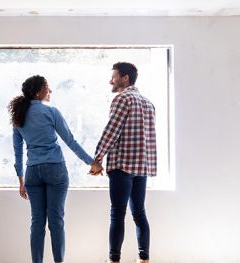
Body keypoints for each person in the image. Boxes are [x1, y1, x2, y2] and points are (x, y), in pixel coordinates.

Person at [10, 75, 94, 263]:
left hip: (32, 172)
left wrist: (21, 180)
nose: (51, 91)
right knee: (56, 221)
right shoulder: (52, 112)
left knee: (37, 222)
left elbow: (17, 151)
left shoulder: (18, 116)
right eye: (48, 87)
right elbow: (70, 141)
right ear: (39, 91)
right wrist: (91, 162)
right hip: (55, 169)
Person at [90, 62, 157, 263]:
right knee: (139, 213)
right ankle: (144, 259)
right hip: (141, 167)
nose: (110, 80)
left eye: (114, 76)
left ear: (125, 78)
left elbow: (112, 130)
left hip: (122, 165)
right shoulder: (148, 103)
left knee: (117, 214)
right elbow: (150, 138)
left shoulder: (122, 99)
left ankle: (114, 260)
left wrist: (97, 159)